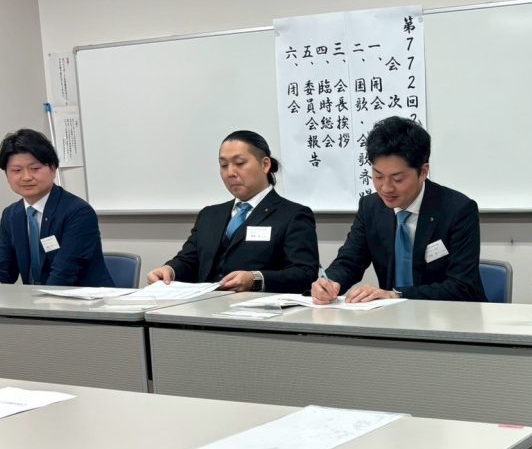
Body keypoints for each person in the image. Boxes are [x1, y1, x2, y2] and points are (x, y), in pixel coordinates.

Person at [312, 116, 485, 304]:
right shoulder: (371, 207)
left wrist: (398, 295)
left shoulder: (458, 210)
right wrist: (330, 282)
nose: (386, 188)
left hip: (448, 315)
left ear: (423, 172)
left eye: (398, 179)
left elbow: (462, 286)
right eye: (378, 176)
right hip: (391, 317)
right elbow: (349, 262)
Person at [147, 131, 318, 293]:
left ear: (265, 164)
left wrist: (255, 279)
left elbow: (304, 274)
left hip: (255, 309)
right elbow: (189, 260)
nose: (230, 173)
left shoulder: (293, 215)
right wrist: (169, 270)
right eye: (223, 165)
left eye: (240, 163)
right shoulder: (210, 215)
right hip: (203, 306)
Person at [0, 129, 114, 287]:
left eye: (35, 168)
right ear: (7, 175)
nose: (26, 177)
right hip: (34, 300)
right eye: (16, 170)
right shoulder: (11, 215)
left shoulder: (78, 212)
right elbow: (4, 272)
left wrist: (36, 302)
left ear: (53, 169)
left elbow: (64, 274)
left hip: (80, 299)